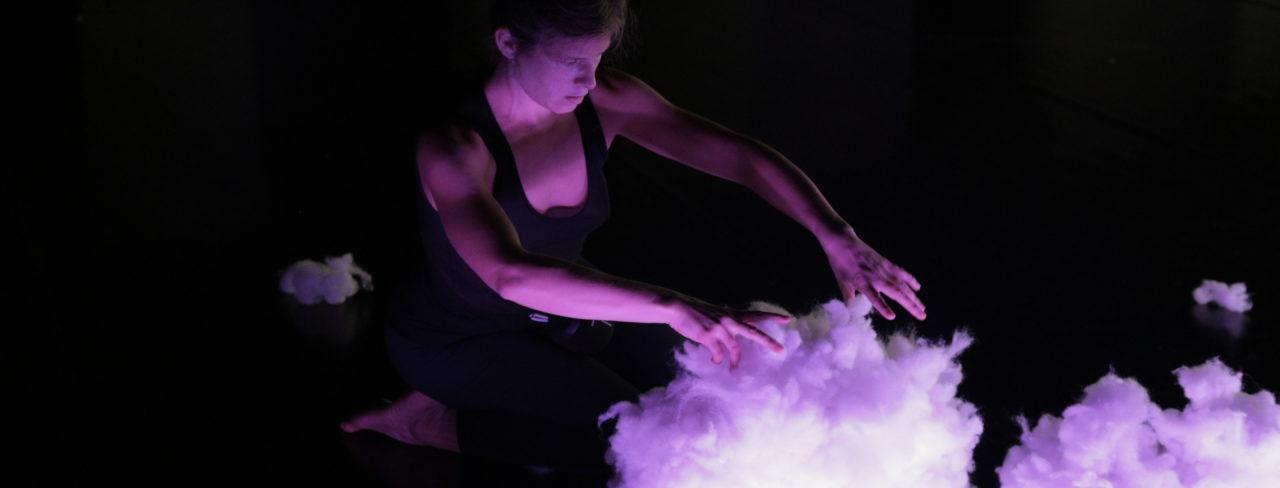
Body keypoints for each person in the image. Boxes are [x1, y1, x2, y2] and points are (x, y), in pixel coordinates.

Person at [340, 0, 926, 473]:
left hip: (567, 314)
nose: (588, 78)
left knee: (725, 371)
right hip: (457, 338)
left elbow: (739, 157)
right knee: (644, 437)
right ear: (509, 43)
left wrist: (835, 235)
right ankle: (431, 420)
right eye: (570, 60)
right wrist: (674, 307)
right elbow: (508, 273)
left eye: (597, 58)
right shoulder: (455, 147)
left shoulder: (603, 101)